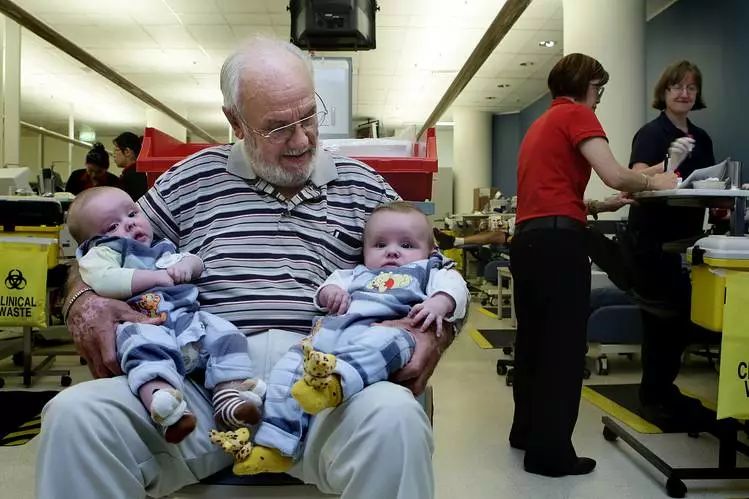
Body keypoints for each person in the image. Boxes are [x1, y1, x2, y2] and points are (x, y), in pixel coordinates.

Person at [38, 37, 448, 499]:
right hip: (201, 381)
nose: (301, 139)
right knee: (75, 418)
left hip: (323, 383)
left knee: (395, 418)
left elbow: (436, 270)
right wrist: (82, 298)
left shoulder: (365, 186)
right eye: (277, 128)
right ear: (235, 121)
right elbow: (100, 252)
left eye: (308, 116)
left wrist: (435, 329)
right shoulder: (189, 180)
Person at [509, 53, 677, 478]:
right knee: (563, 350)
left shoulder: (540, 125)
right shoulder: (577, 114)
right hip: (557, 246)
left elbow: (558, 192)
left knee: (533, 343)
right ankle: (550, 455)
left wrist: (603, 205)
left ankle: (526, 432)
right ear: (585, 84)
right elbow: (615, 174)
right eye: (598, 88)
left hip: (529, 242)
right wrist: (655, 182)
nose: (599, 97)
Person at [214, 201, 468, 474]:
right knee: (287, 372)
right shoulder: (354, 274)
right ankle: (276, 448)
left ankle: (335, 385)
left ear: (431, 251)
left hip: (390, 332)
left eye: (406, 246)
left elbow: (456, 288)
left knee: (380, 348)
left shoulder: (432, 270)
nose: (392, 252)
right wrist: (330, 293)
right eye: (380, 245)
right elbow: (328, 287)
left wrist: (439, 304)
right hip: (329, 338)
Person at [66, 186, 265, 443]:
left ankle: (229, 393)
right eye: (111, 227)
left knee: (225, 334)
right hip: (144, 320)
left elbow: (194, 261)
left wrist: (188, 265)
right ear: (92, 240)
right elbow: (104, 280)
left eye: (131, 214)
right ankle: (164, 406)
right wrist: (156, 277)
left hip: (188, 320)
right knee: (144, 351)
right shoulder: (104, 252)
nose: (128, 225)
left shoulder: (160, 247)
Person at [625, 60, 716, 424]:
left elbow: (707, 184)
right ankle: (653, 395)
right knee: (660, 321)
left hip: (688, 241)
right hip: (653, 243)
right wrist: (669, 162)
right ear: (663, 93)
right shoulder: (651, 133)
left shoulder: (702, 138)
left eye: (691, 88)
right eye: (677, 87)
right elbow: (633, 179)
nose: (684, 94)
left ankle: (665, 390)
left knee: (678, 323)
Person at [113, 131, 148, 201]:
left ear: (127, 152)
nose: (114, 155)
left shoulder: (131, 177)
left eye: (116, 150)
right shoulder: (140, 173)